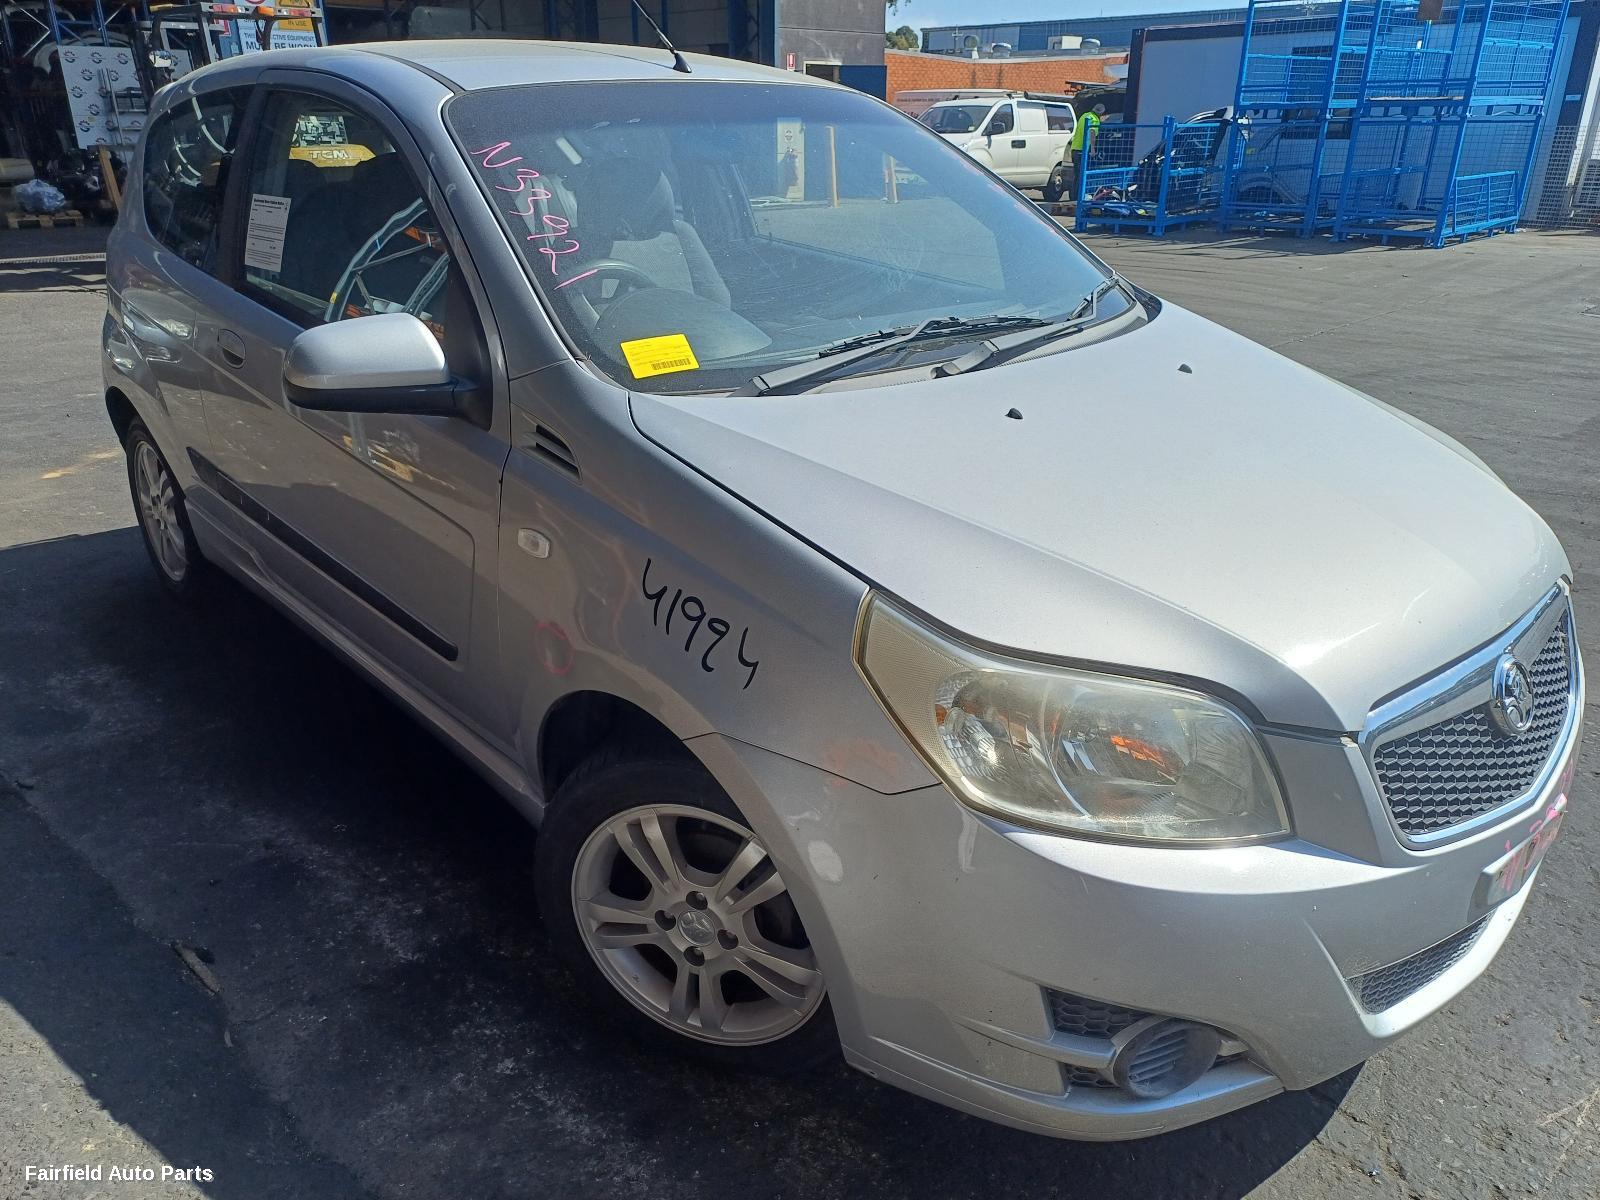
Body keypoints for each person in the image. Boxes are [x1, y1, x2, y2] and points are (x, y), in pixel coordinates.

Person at [1069, 103, 1105, 197]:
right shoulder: (1094, 119)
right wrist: (1093, 149)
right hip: (1082, 150)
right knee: (1082, 174)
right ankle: (1078, 196)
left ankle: (1073, 196)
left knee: (1077, 174)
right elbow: (1092, 132)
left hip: (1074, 148)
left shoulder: (1084, 115)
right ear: (1101, 113)